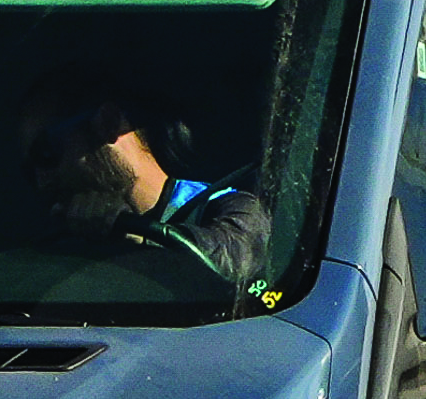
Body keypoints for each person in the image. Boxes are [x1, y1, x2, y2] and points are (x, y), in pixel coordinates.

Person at [22, 81, 279, 298]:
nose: (43, 181)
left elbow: (233, 261)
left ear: (109, 123)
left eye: (46, 154)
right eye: (28, 171)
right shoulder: (60, 243)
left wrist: (134, 242)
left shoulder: (224, 206)